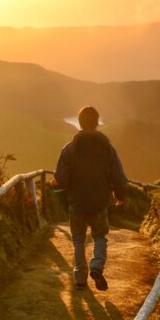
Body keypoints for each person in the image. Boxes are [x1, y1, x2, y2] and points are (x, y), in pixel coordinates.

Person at [55, 106, 128, 292]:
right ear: (96, 123)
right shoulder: (107, 148)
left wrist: (56, 185)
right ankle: (96, 266)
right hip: (100, 202)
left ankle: (80, 279)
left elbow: (62, 179)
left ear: (80, 123)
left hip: (77, 202)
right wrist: (120, 195)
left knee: (78, 239)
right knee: (100, 236)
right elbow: (118, 175)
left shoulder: (69, 148)